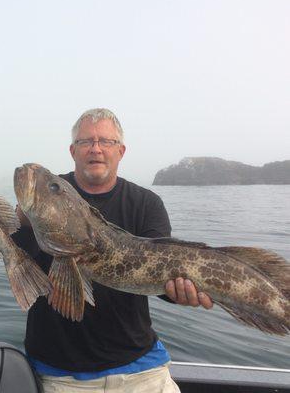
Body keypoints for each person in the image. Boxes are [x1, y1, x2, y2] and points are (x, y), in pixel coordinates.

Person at [12, 108, 214, 393]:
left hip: (142, 370)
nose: (96, 149)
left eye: (105, 141)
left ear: (120, 150)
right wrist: (23, 222)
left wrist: (179, 293)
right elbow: (20, 267)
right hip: (61, 376)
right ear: (73, 150)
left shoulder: (146, 203)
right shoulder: (41, 204)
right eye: (86, 142)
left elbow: (158, 281)